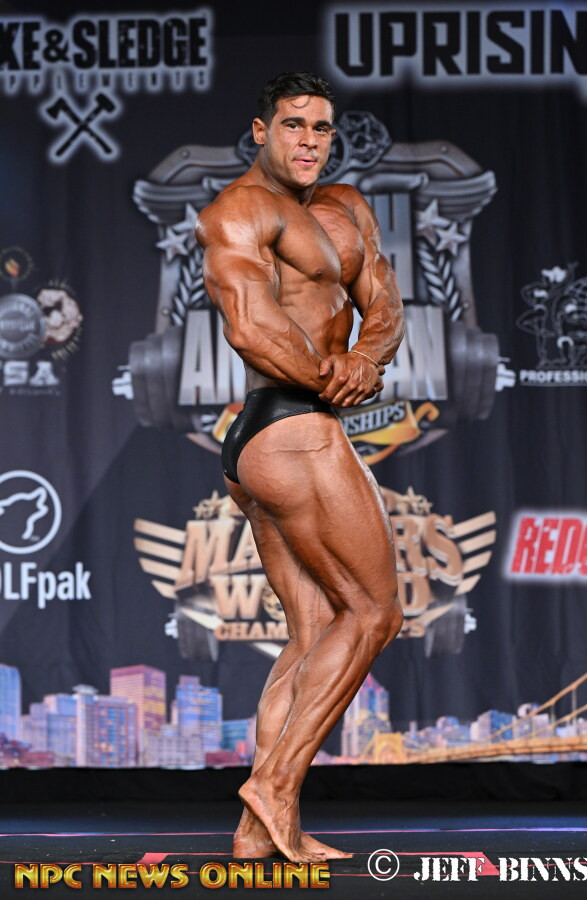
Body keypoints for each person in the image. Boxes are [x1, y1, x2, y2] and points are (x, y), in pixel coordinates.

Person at [195, 72, 405, 863]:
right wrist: (330, 376)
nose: (309, 140)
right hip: (288, 425)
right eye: (293, 125)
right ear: (261, 131)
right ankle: (275, 786)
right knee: (374, 613)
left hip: (284, 431)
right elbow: (251, 327)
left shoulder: (346, 207)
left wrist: (364, 361)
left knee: (314, 629)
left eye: (321, 127)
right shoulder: (239, 211)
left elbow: (384, 305)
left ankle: (256, 832)